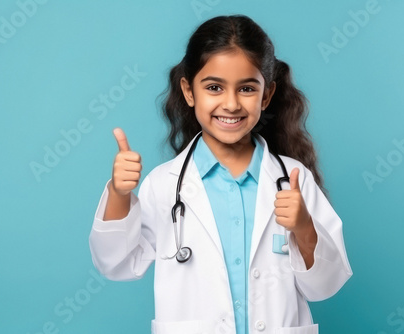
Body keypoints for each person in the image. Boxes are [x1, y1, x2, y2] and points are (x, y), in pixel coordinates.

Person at [89, 14, 352, 334]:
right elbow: (117, 264)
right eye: (214, 87)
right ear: (189, 91)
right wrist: (119, 194)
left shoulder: (293, 179)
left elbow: (325, 286)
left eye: (246, 89)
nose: (230, 104)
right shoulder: (164, 185)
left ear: (266, 95)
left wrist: (303, 226)